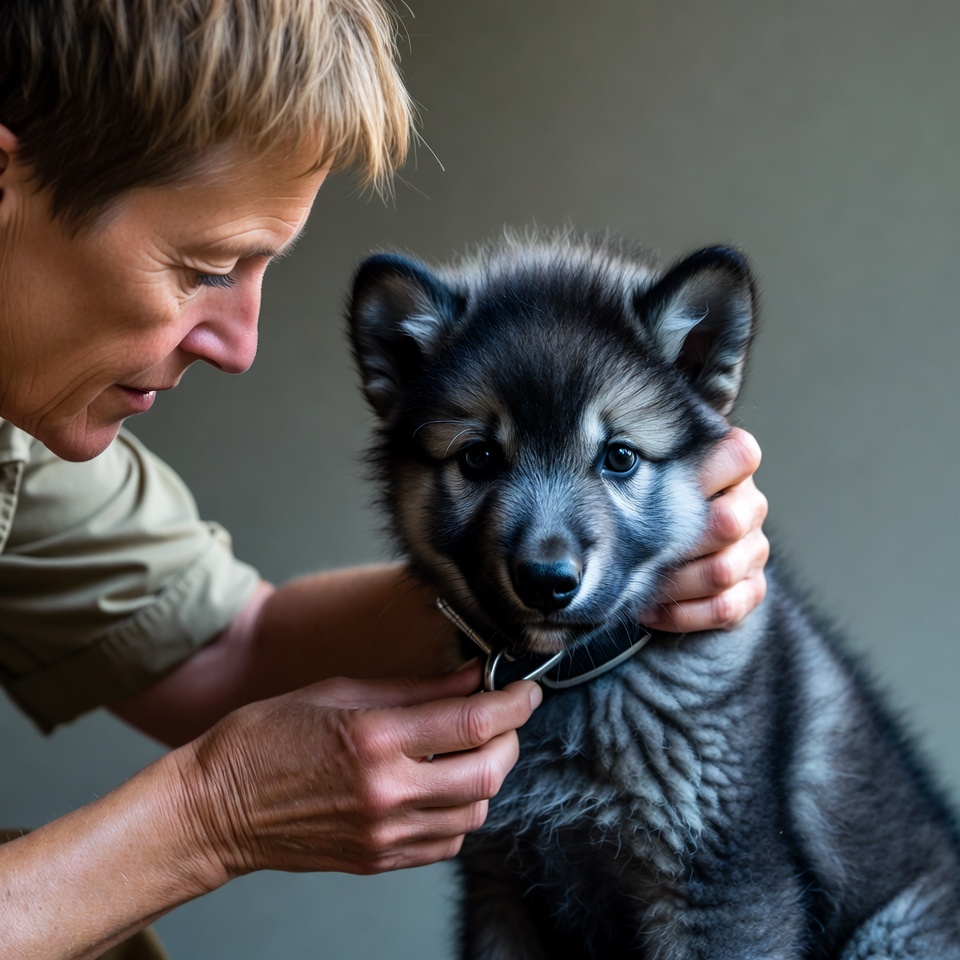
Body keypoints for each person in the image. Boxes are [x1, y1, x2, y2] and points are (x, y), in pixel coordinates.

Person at [0, 1, 770, 957]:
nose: (239, 346)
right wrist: (213, 816)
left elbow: (222, 654)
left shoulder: (14, 441)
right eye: (202, 268)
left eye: (259, 268)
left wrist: (595, 586)